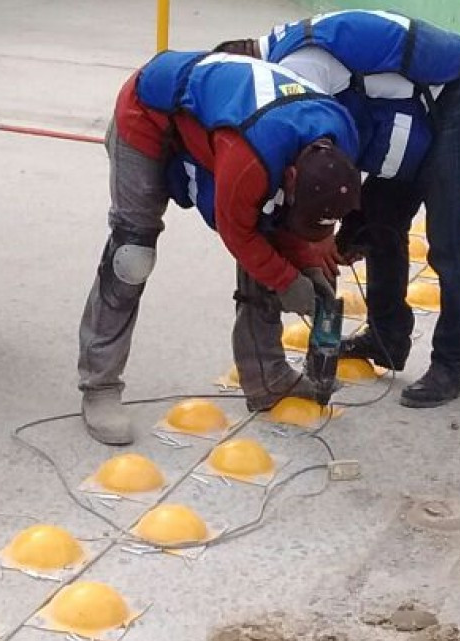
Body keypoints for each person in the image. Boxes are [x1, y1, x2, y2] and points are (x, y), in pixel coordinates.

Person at [216, 10, 460, 409]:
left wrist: (322, 233)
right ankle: (387, 338)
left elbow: (323, 163)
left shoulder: (299, 68)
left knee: (449, 241)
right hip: (419, 108)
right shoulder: (286, 50)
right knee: (379, 222)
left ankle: (453, 363)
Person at [78, 50, 362, 445]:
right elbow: (238, 235)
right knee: (132, 256)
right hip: (150, 114)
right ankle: (99, 387)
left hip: (223, 126)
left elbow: (287, 226)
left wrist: (307, 266)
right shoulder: (252, 158)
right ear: (291, 176)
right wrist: (287, 280)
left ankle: (268, 379)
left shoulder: (342, 143)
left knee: (273, 233)